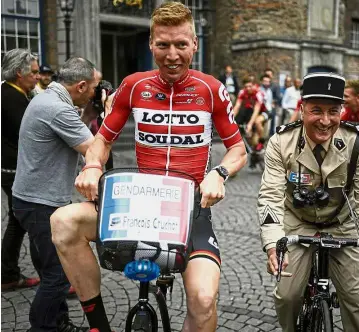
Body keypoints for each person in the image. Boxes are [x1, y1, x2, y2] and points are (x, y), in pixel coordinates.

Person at [50, 3, 247, 332]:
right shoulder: (134, 85)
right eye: (163, 45)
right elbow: (102, 139)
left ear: (194, 44)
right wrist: (93, 165)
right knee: (63, 222)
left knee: (202, 299)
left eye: (181, 44)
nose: (172, 55)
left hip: (190, 211)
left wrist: (219, 173)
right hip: (138, 206)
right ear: (151, 45)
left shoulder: (212, 88)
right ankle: (99, 326)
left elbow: (238, 149)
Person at [258, 72, 359, 332]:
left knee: (357, 300)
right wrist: (274, 244)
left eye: (333, 111)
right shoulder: (281, 142)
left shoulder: (357, 144)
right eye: (316, 111)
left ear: (342, 110)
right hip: (297, 223)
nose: (325, 121)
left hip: (341, 223)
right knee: (287, 297)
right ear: (302, 109)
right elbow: (271, 196)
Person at [12, 57, 102, 332]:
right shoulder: (57, 110)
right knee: (60, 274)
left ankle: (57, 322)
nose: (96, 93)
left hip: (29, 198)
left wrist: (90, 112)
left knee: (50, 266)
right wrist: (109, 115)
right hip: (42, 203)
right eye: (94, 88)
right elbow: (92, 148)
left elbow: (74, 130)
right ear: (82, 85)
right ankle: (43, 327)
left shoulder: (47, 99)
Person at [1, 48, 41, 291]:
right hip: (15, 170)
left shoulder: (11, 93)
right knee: (33, 220)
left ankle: (8, 274)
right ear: (19, 73)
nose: (38, 77)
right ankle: (52, 275)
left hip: (10, 167)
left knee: (18, 222)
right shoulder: (13, 98)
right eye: (34, 73)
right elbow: (29, 135)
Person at [232, 76, 268, 150]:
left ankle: (261, 141)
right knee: (239, 118)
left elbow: (256, 110)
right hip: (250, 111)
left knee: (257, 121)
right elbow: (237, 106)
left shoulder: (258, 93)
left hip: (262, 112)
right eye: (246, 87)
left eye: (250, 86)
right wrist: (230, 120)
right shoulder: (242, 92)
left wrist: (250, 125)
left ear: (254, 85)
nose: (248, 88)